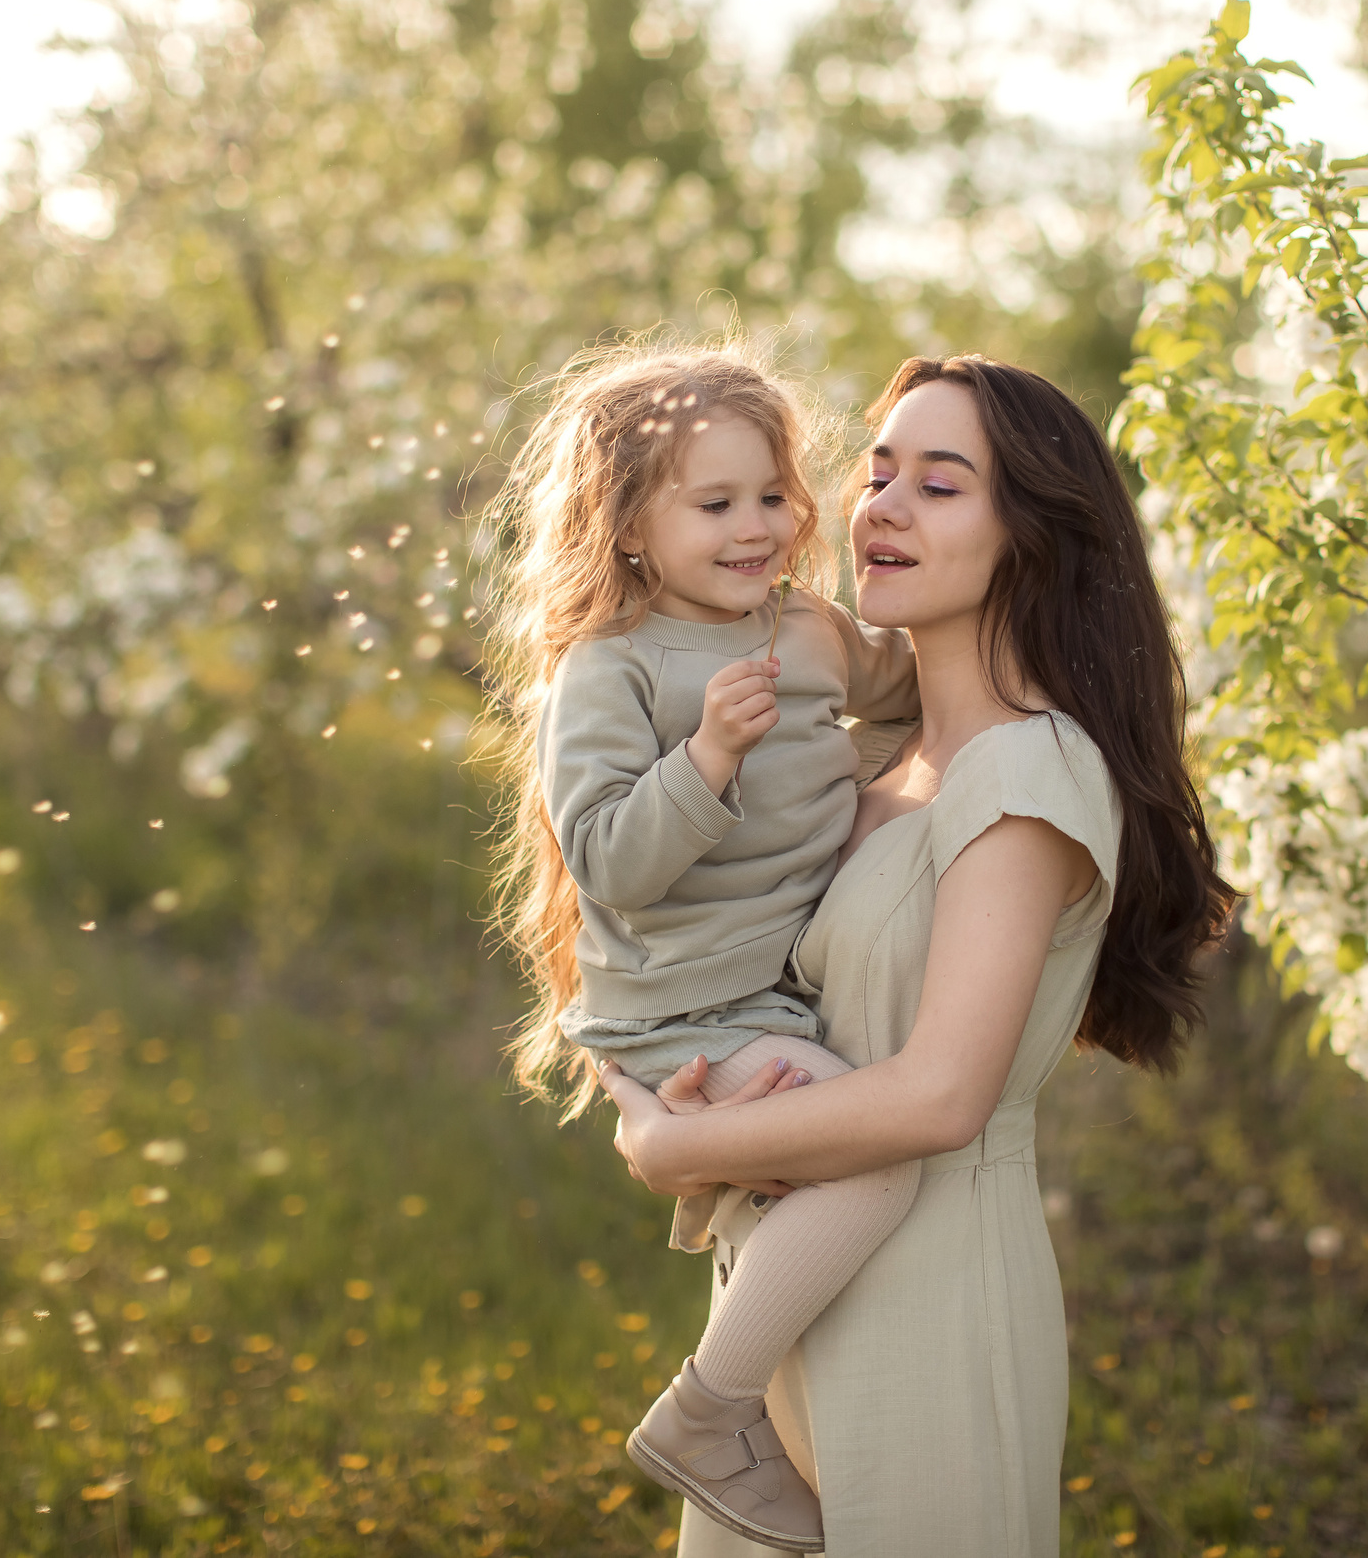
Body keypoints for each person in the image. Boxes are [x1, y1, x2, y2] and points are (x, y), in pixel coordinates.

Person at [600, 354, 1234, 1556]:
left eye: (939, 486)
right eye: (878, 470)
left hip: (927, 1301)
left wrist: (672, 1142)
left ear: (1033, 539)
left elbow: (941, 1094)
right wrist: (700, 1073)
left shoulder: (1025, 772)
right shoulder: (874, 760)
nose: (880, 504)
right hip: (787, 1288)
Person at [484, 342, 926, 1551]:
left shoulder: (813, 629)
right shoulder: (610, 667)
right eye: (714, 503)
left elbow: (913, 700)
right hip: (683, 1012)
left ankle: (727, 1179)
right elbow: (611, 863)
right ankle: (707, 1412)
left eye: (772, 496)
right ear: (629, 524)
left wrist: (867, 789)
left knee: (841, 1149)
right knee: (877, 1158)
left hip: (775, 998)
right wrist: (708, 762)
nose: (757, 527)